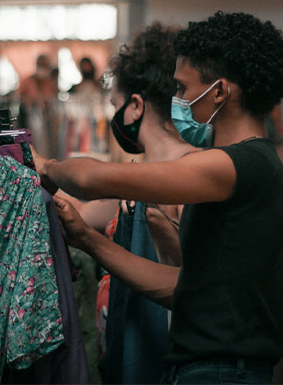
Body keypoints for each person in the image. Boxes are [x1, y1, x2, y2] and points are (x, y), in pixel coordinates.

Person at [32, 11, 283, 384]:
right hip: (203, 368)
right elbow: (180, 288)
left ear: (219, 91)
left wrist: (43, 165)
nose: (178, 100)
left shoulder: (241, 165)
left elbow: (93, 179)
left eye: (183, 88)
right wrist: (87, 240)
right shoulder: (249, 167)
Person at [63, 23, 196, 384]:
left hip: (165, 362)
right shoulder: (137, 178)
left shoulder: (192, 175)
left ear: (135, 106)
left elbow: (197, 283)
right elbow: (83, 213)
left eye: (115, 105)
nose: (113, 116)